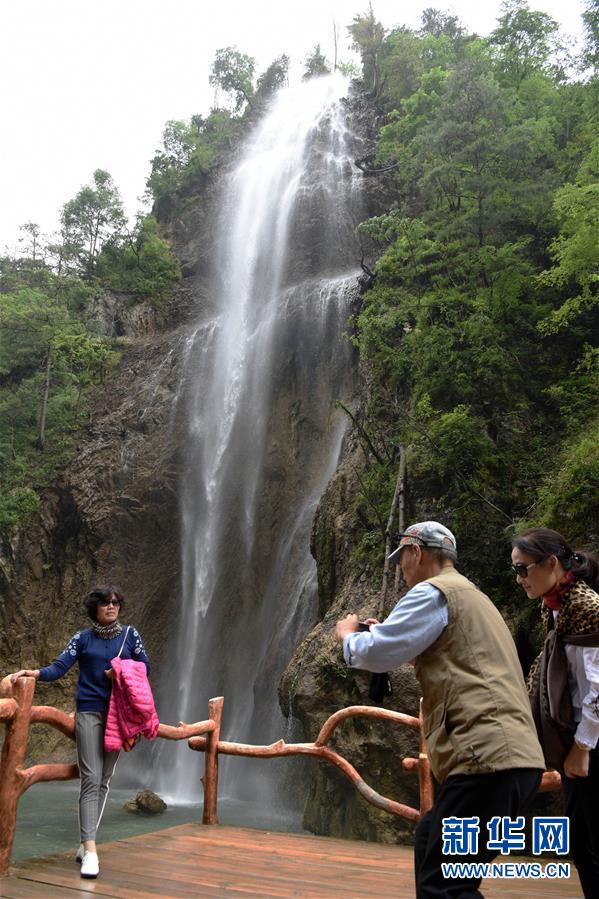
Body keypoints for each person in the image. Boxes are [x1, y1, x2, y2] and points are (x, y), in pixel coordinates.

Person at [336, 521, 545, 899]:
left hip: (485, 760)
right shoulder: (473, 597)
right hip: (510, 761)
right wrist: (387, 633)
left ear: (416, 552)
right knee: (432, 838)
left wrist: (349, 636)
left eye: (402, 559)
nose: (401, 570)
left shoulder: (433, 593)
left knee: (443, 886)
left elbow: (376, 652)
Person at [9, 585, 150, 880]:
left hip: (118, 714)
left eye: (115, 602)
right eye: (105, 602)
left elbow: (145, 667)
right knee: (91, 777)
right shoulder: (82, 639)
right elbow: (60, 666)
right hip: (88, 712)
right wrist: (34, 673)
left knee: (104, 780)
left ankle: (85, 843)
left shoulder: (131, 635)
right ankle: (92, 850)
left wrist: (121, 670)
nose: (111, 606)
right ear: (94, 608)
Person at [511, 527, 599, 898]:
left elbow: (596, 685)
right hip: (579, 738)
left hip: (591, 741)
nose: (519, 579)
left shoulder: (585, 608)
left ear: (551, 563)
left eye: (523, 569)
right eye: (514, 570)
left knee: (589, 841)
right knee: (582, 838)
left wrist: (582, 746)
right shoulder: (558, 606)